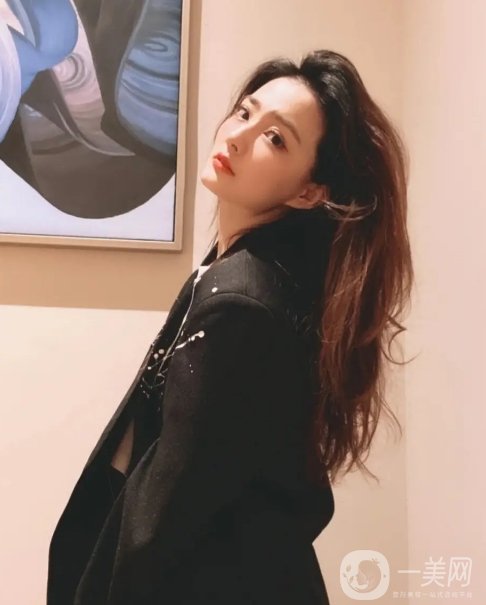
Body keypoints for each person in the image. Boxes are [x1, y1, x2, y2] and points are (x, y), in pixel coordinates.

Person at [46, 49, 413, 605]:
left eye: (276, 138)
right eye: (245, 112)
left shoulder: (241, 301)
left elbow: (161, 520)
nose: (238, 136)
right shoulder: (244, 276)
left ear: (308, 192)